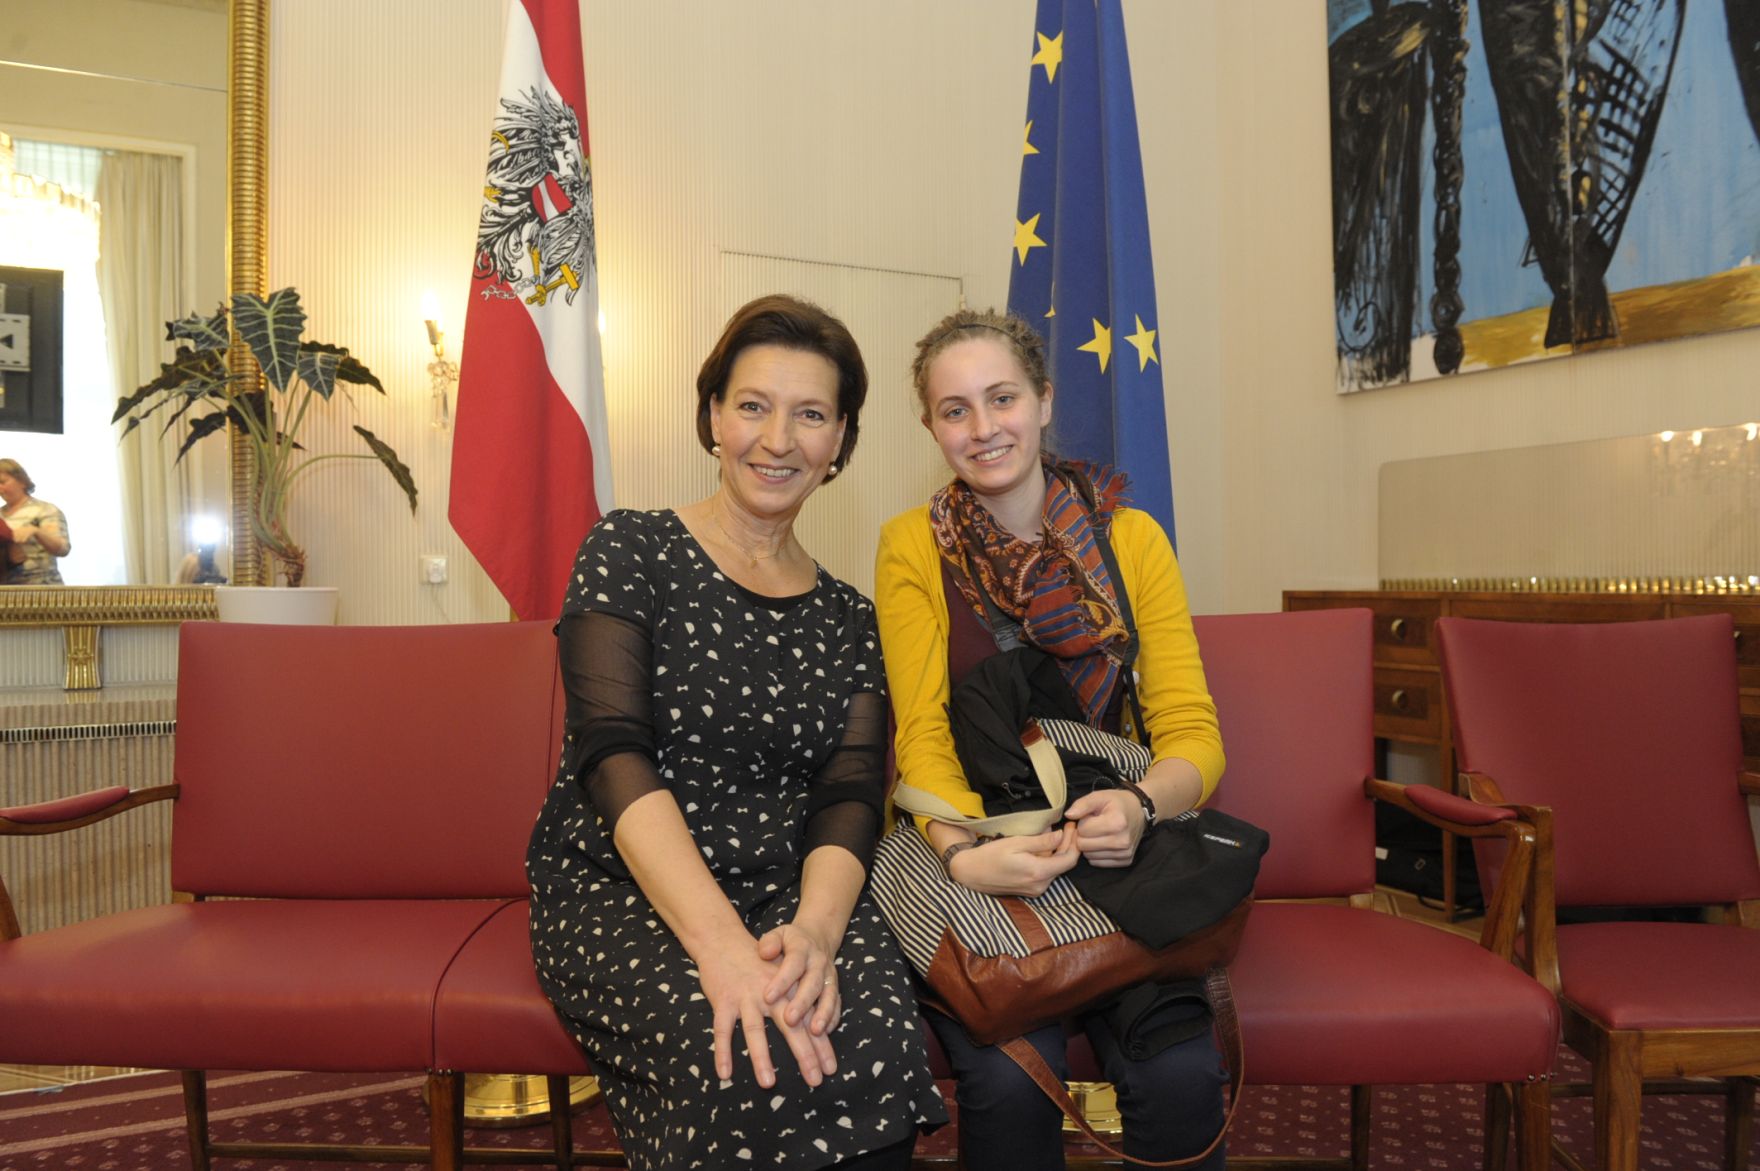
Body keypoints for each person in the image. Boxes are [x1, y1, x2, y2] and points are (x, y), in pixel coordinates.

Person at [526, 294, 947, 1171]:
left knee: (866, 1041)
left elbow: (848, 796)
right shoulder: (628, 550)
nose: (777, 438)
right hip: (630, 885)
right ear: (713, 413)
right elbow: (613, 757)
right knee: (742, 1057)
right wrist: (720, 948)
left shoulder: (850, 618)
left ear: (840, 443)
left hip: (797, 893)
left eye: (811, 415)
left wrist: (819, 934)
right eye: (753, 405)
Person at [873, 308, 1229, 1170]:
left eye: (1002, 397)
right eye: (955, 409)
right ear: (930, 426)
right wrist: (963, 855)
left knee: (1181, 1074)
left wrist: (1142, 805)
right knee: (1004, 1083)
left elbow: (1192, 732)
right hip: (981, 861)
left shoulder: (1134, 540)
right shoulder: (910, 547)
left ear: (1043, 399)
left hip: (1121, 857)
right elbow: (920, 737)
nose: (984, 426)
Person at [0, 459, 71, 585]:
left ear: (22, 481)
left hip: (43, 593)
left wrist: (36, 531)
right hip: (7, 594)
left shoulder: (45, 510)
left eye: (2, 482)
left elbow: (62, 549)